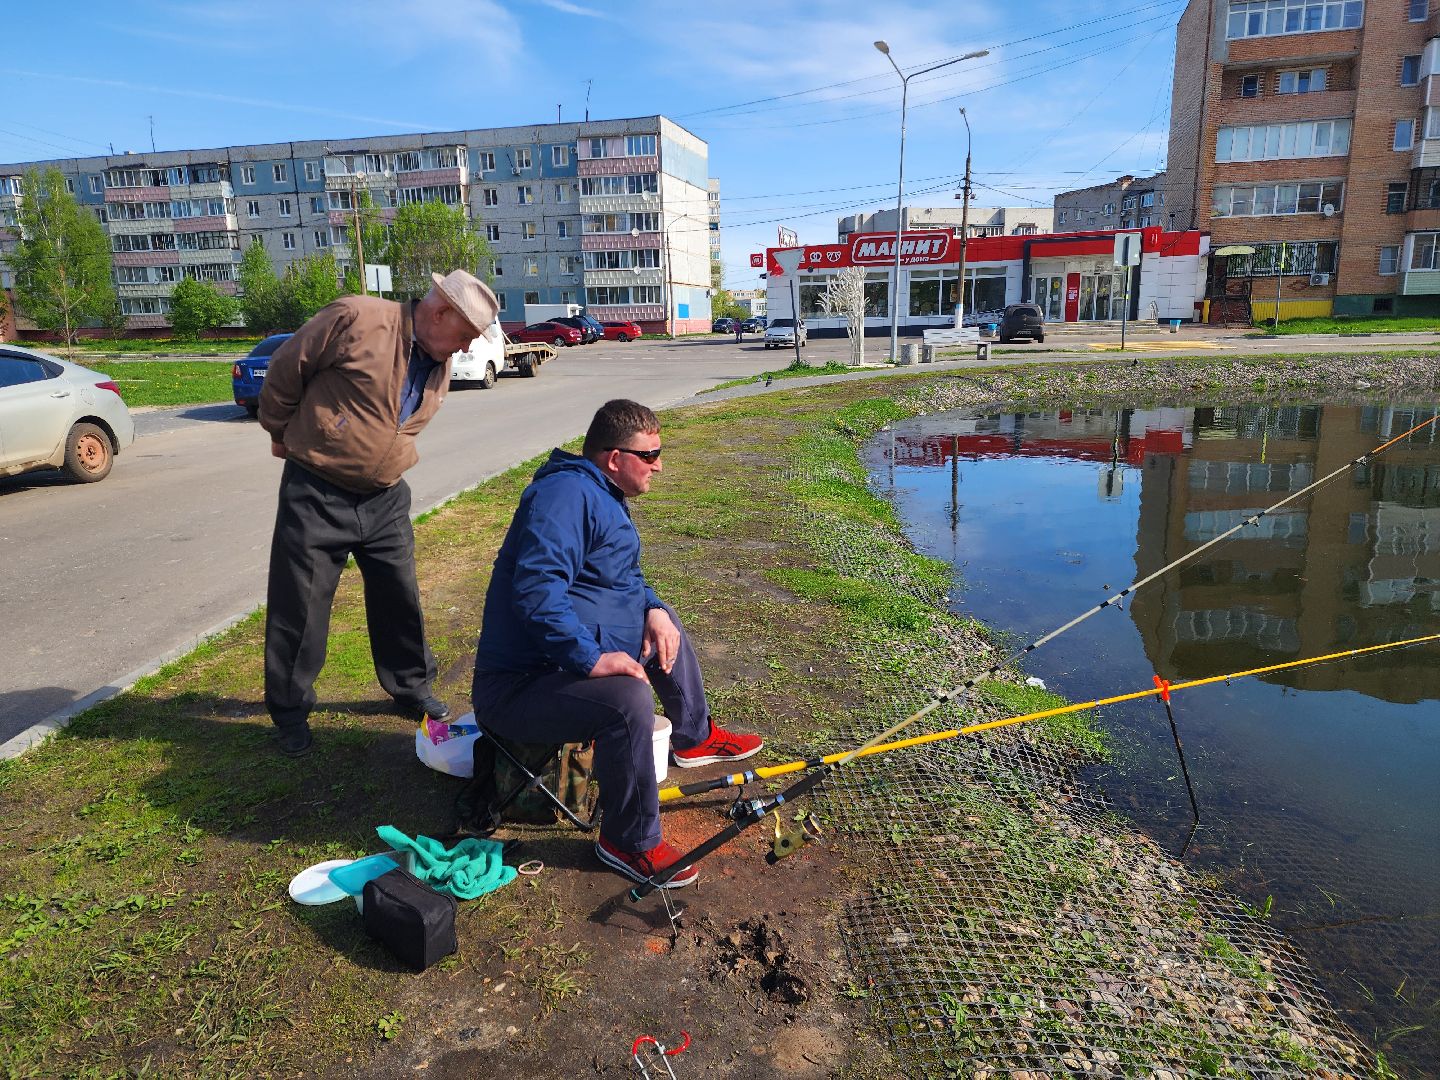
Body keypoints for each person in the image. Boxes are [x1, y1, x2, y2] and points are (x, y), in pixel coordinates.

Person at [471, 399, 762, 889]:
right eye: (650, 455)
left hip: (561, 663)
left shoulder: (602, 493)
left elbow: (619, 577)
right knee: (628, 700)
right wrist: (591, 657)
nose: (659, 465)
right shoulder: (565, 496)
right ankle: (628, 840)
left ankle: (693, 739)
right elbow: (536, 590)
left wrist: (649, 606)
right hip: (519, 686)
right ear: (613, 457)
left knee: (662, 619)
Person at [258, 270, 499, 757]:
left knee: (399, 596)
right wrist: (283, 433)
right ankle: (289, 709)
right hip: (317, 490)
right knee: (301, 606)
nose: (466, 348)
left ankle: (409, 686)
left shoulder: (437, 357)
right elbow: (286, 370)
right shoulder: (357, 317)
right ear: (440, 312)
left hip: (385, 496)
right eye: (466, 335)